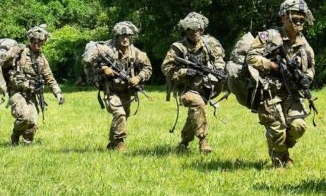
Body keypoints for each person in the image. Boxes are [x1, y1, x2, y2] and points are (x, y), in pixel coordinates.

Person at [246, 0, 315, 168]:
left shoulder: (304, 43)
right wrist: (271, 65)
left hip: (292, 93)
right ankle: (277, 162)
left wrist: (307, 77)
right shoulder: (268, 36)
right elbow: (251, 57)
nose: (299, 22)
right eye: (294, 18)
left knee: (298, 126)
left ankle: (283, 152)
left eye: (302, 19)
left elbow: (311, 67)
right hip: (270, 92)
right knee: (277, 130)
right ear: (283, 18)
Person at [162, 12, 226, 154]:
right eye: (191, 31)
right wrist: (185, 72)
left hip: (206, 86)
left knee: (195, 113)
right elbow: (166, 68)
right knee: (198, 105)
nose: (195, 33)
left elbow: (219, 59)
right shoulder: (178, 47)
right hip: (186, 87)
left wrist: (219, 70)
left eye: (198, 30)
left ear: (202, 30)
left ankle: (183, 143)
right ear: (186, 32)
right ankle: (203, 141)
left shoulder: (210, 44)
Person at [0, 25, 65, 145]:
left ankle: (27, 143)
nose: (38, 44)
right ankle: (15, 137)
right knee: (24, 117)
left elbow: (50, 78)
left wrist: (58, 93)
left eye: (40, 42)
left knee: (33, 121)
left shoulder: (41, 58)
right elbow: (6, 66)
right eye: (35, 41)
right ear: (31, 40)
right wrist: (11, 54)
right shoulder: (20, 53)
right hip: (17, 91)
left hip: (31, 94)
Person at [93, 21, 152, 151]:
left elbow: (147, 68)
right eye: (122, 36)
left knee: (123, 115)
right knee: (119, 113)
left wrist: (138, 77)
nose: (125, 39)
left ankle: (112, 143)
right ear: (117, 37)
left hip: (127, 91)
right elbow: (93, 63)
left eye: (127, 36)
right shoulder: (107, 51)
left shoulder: (137, 53)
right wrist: (104, 69)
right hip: (111, 90)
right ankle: (120, 143)